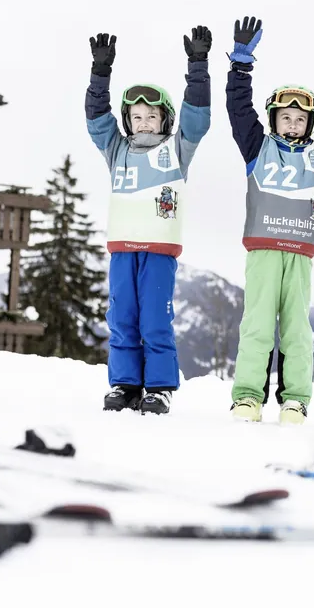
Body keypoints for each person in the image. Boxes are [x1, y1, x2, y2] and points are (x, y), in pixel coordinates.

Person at [226, 15, 314, 425]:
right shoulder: (257, 148)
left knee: (297, 331)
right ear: (273, 119)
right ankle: (248, 397)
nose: (293, 123)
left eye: (301, 119)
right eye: (286, 116)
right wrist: (240, 66)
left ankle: (295, 400)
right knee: (257, 326)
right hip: (264, 251)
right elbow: (238, 110)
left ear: (309, 124)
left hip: (300, 255)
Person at [85, 28, 212, 415]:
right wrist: (100, 73)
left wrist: (198, 67)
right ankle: (125, 383)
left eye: (151, 117)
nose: (143, 123)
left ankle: (158, 387)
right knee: (122, 317)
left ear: (164, 119)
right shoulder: (116, 149)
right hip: (123, 249)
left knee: (155, 318)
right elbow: (97, 119)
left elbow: (197, 119)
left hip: (158, 250)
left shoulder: (177, 149)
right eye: (136, 117)